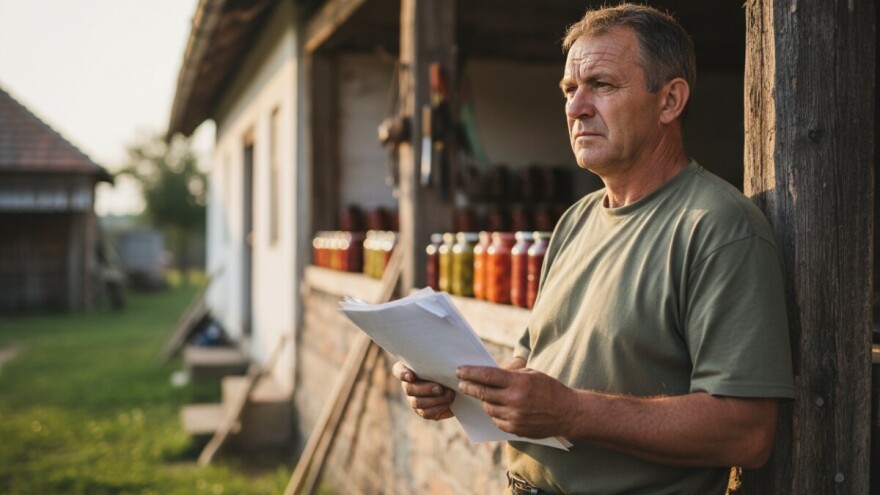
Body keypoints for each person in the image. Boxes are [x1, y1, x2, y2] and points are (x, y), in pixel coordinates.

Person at [392, 4, 795, 494]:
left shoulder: (719, 227)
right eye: (569, 89)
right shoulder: (576, 219)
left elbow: (748, 431)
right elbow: (535, 364)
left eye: (601, 85)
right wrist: (457, 386)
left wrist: (573, 411)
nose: (575, 107)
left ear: (670, 101)